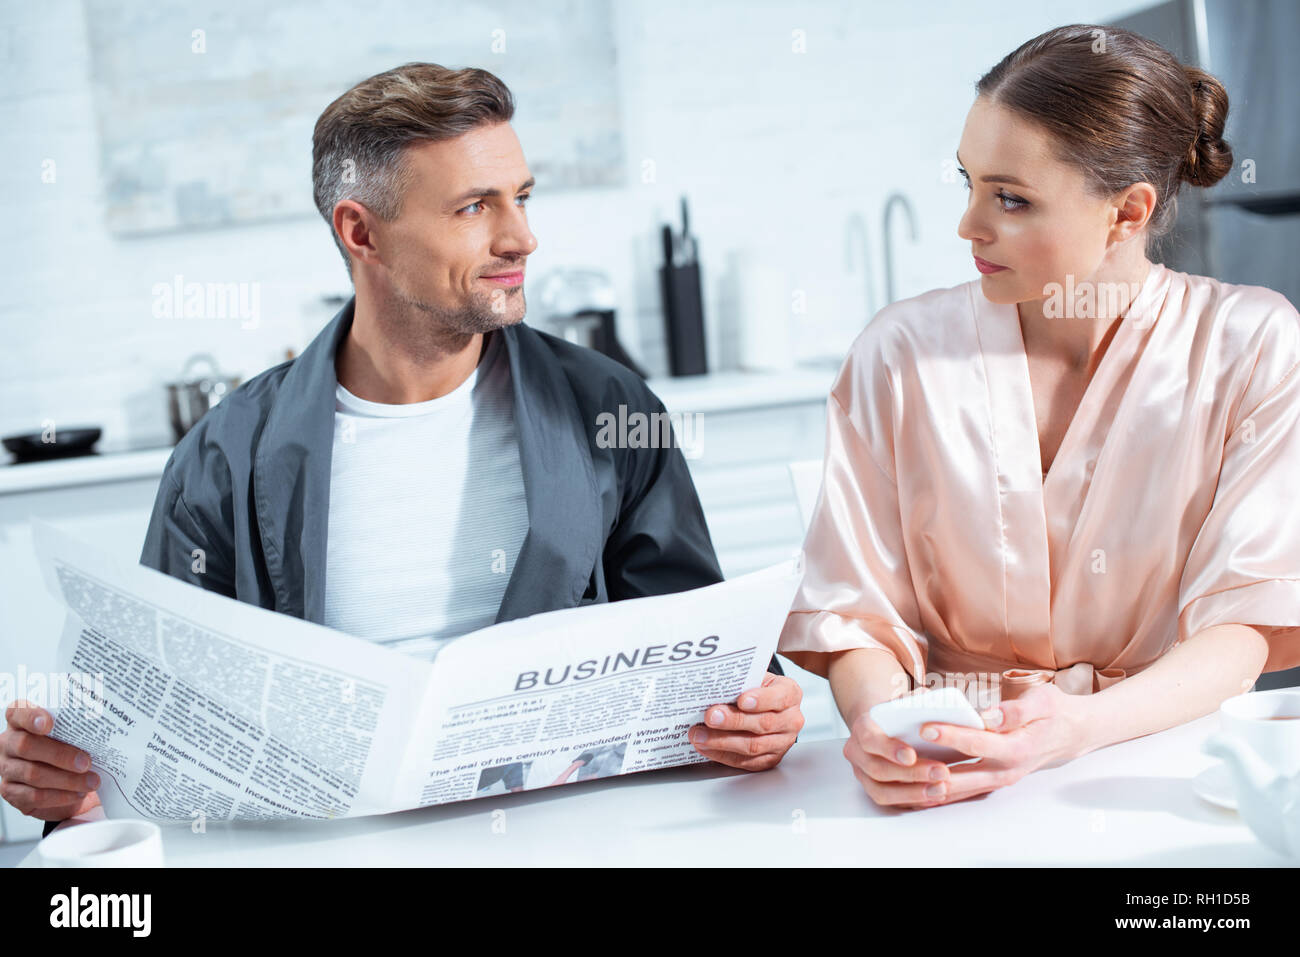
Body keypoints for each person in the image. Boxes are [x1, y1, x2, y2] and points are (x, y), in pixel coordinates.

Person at [1, 62, 803, 835]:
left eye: (521, 197)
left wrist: (756, 713)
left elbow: (705, 653)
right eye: (473, 208)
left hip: (566, 838)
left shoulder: (613, 410)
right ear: (362, 232)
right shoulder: (222, 458)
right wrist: (65, 779)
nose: (522, 236)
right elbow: (146, 728)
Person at [779, 24, 1300, 811]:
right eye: (969, 183)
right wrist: (883, 726)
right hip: (946, 779)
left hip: (1155, 770)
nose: (969, 226)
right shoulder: (900, 352)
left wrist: (1079, 725)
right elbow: (855, 614)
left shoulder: (1252, 344)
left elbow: (1245, 623)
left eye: (1011, 199)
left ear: (1127, 213)